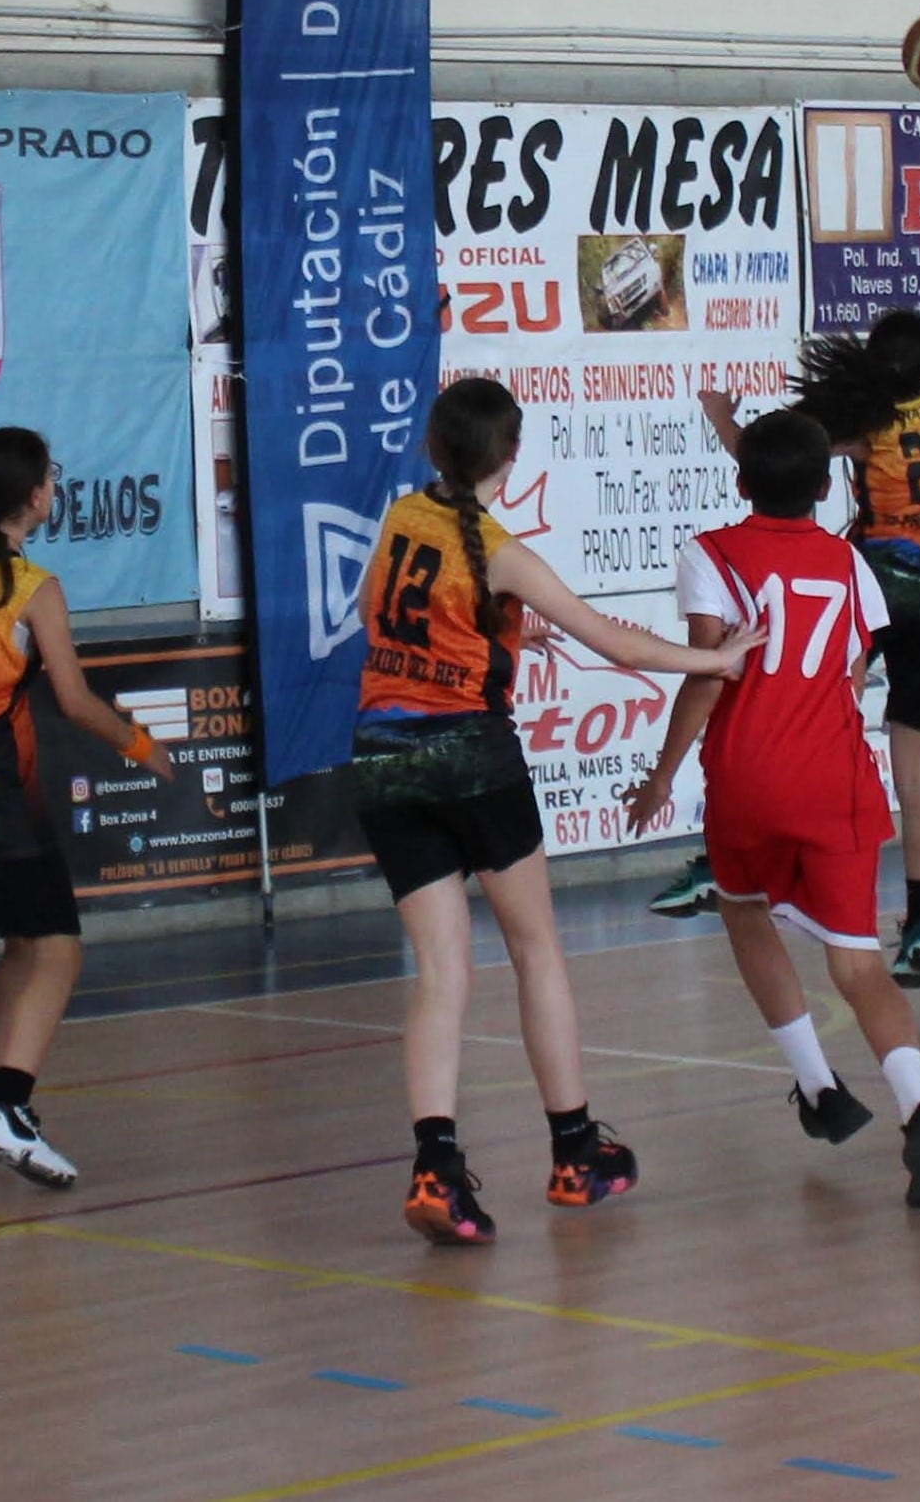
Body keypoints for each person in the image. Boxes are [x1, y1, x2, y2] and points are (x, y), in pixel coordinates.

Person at [355, 377, 760, 1247]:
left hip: (382, 763)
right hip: (472, 759)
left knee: (440, 974)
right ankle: (575, 1148)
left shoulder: (398, 520)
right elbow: (609, 638)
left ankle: (435, 1164)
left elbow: (381, 621)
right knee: (535, 949)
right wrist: (719, 664)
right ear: (511, 455)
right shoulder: (500, 550)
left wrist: (497, 634)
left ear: (434, 448)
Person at [626, 410, 920, 1208]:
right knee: (857, 964)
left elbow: (709, 672)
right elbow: (851, 674)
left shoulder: (710, 553)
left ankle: (817, 1086)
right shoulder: (851, 563)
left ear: (739, 481)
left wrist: (661, 775)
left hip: (748, 778)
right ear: (825, 487)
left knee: (744, 916)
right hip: (836, 779)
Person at [661, 212, 920, 984]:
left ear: (872, 369)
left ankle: (729, 857)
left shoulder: (867, 426)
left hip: (875, 588)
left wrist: (722, 417)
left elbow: (778, 464)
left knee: (798, 707)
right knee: (915, 760)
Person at [0, 426, 174, 1190]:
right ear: (33, 496)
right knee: (58, 947)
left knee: (23, 946)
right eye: (51, 478)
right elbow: (73, 700)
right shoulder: (32, 588)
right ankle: (9, 1107)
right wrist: (143, 747)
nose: (55, 488)